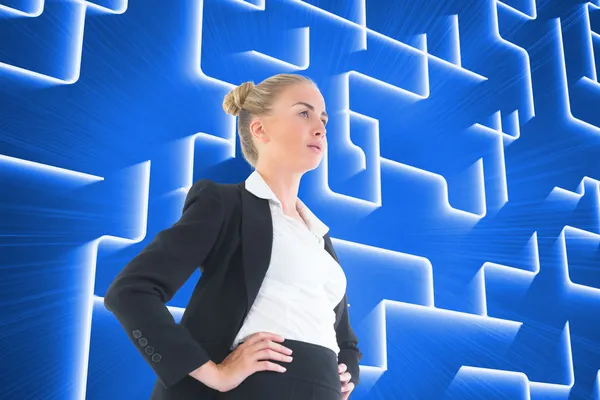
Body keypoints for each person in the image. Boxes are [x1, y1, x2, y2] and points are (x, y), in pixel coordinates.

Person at [103, 73, 362, 400]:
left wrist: (347, 371)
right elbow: (130, 291)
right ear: (260, 129)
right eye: (303, 113)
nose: (321, 127)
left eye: (323, 119)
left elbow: (346, 340)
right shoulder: (224, 204)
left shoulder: (319, 236)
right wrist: (212, 372)